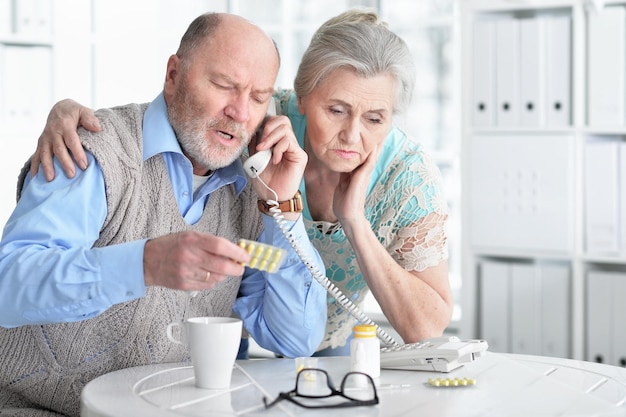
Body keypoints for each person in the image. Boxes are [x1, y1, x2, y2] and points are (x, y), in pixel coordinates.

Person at [30, 9, 453, 358]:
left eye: (375, 119)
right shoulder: (259, 126)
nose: (352, 135)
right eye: (336, 110)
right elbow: (183, 112)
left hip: (328, 337)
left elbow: (425, 328)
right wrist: (67, 112)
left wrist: (347, 220)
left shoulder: (406, 178)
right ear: (300, 98)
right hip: (225, 329)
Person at [0, 12, 328, 417]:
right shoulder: (94, 154)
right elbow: (9, 282)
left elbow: (294, 339)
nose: (241, 113)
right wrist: (143, 264)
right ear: (174, 75)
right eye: (224, 85)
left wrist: (282, 205)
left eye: (259, 97)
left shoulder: (252, 190)